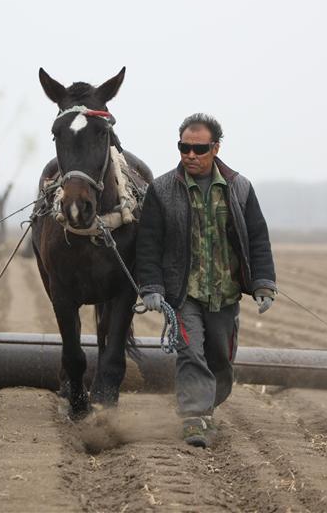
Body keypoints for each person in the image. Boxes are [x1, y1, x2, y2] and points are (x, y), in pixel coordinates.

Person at [135, 113, 277, 448]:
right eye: (184, 147)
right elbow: (148, 244)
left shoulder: (239, 188)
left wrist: (263, 283)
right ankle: (193, 419)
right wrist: (152, 287)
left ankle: (206, 407)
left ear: (215, 148)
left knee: (221, 362)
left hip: (225, 293)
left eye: (199, 148)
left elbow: (257, 237)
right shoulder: (162, 190)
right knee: (191, 352)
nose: (190, 155)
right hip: (184, 293)